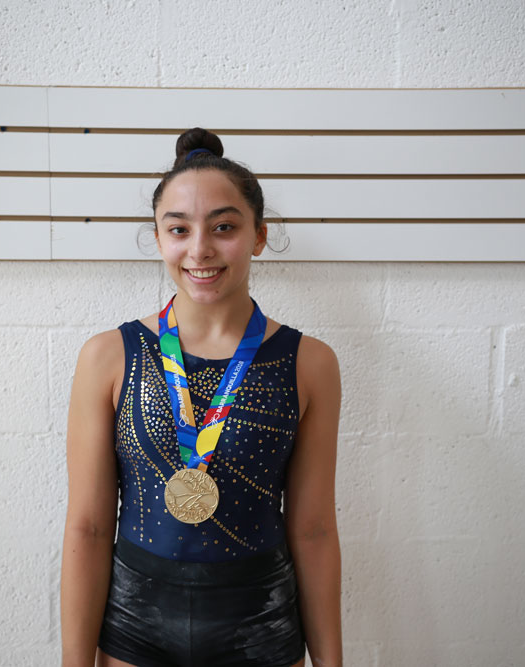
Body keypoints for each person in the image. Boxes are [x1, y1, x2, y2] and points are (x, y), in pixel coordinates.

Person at [60, 128, 343, 667]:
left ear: (259, 235)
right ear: (159, 238)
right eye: (179, 229)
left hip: (262, 626)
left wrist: (331, 664)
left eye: (224, 227)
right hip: (135, 628)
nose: (200, 249)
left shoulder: (309, 364)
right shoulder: (108, 357)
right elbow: (89, 527)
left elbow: (313, 529)